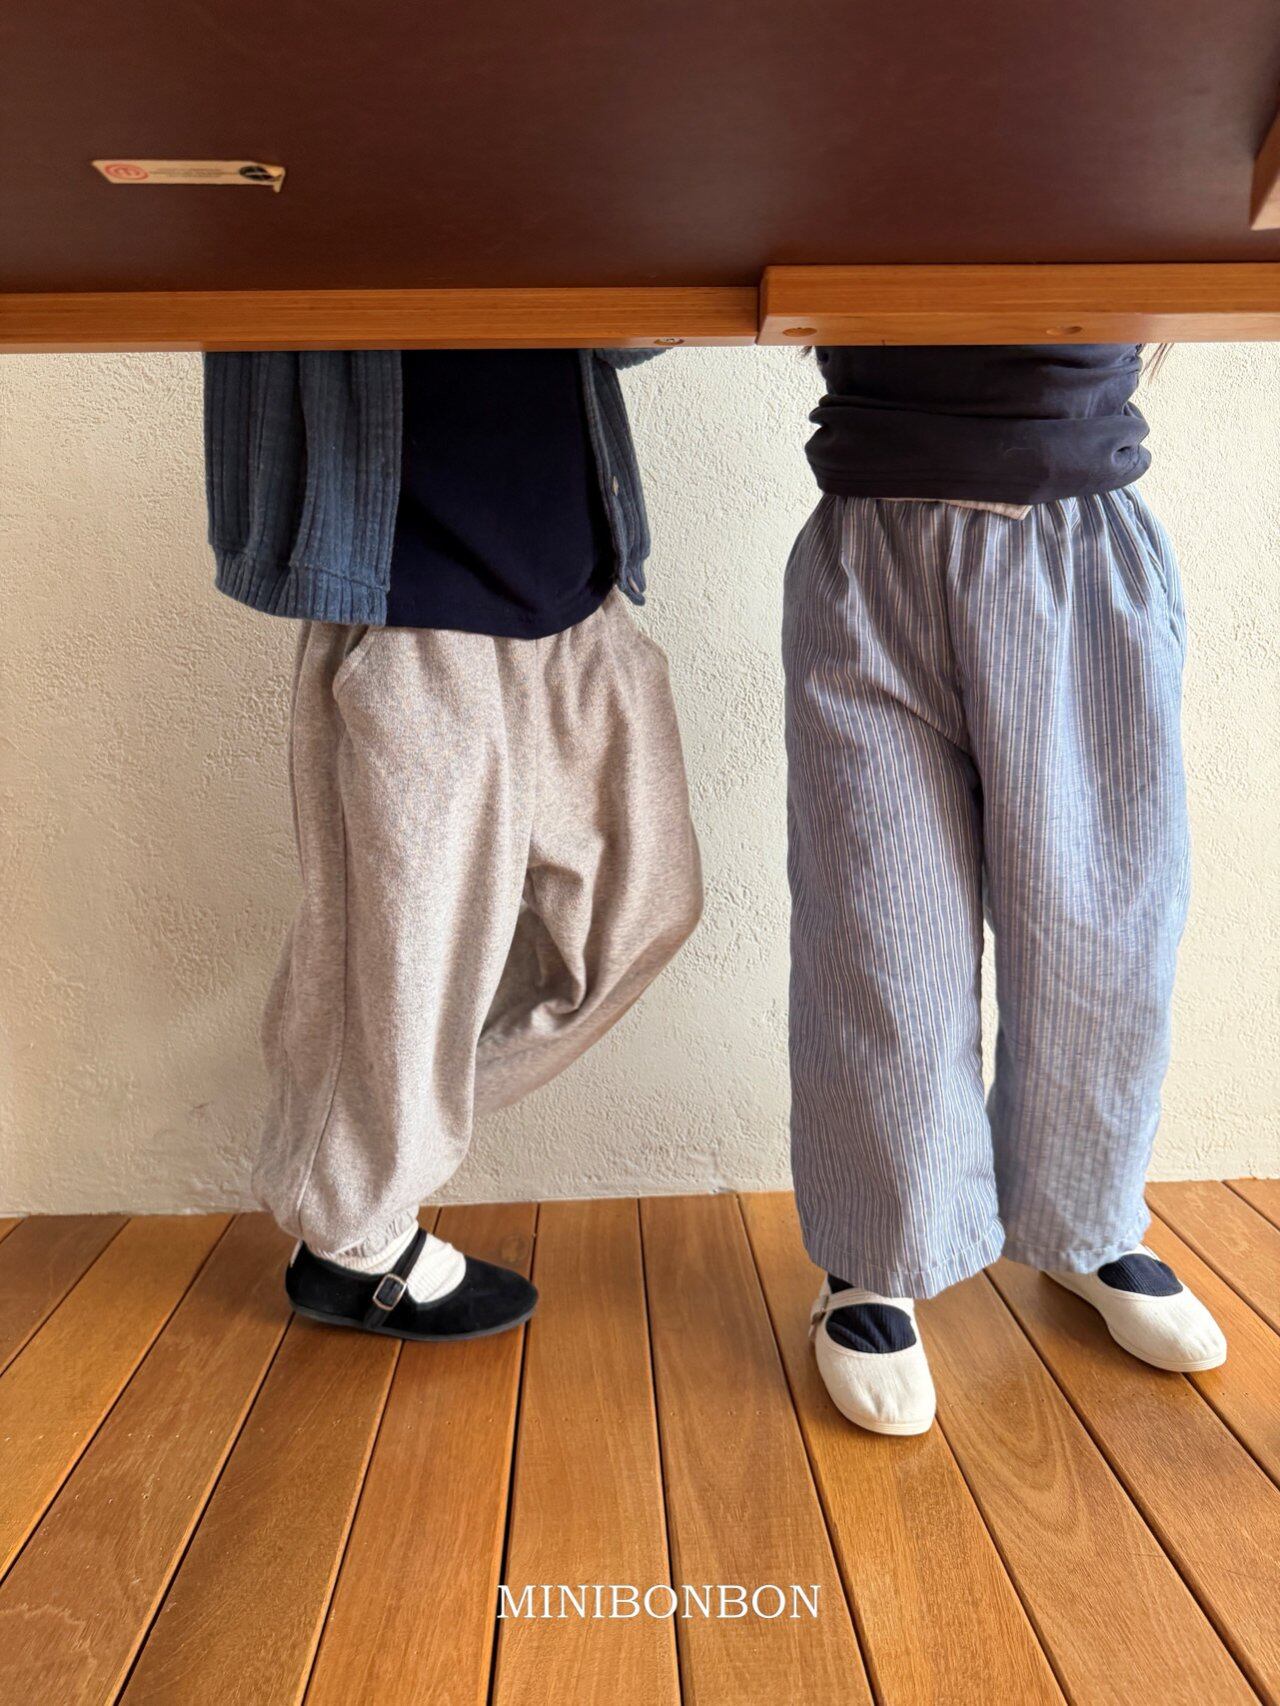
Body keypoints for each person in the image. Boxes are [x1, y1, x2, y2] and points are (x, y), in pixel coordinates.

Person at [202, 347, 701, 1340]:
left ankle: (353, 1130)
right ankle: (350, 1234)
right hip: (408, 596)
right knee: (406, 949)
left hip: (574, 569)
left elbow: (628, 329)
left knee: (643, 910)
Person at [785, 344, 1226, 1435]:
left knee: (1100, 929)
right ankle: (875, 1256)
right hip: (872, 544)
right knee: (879, 934)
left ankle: (1083, 1224)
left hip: (1076, 539)